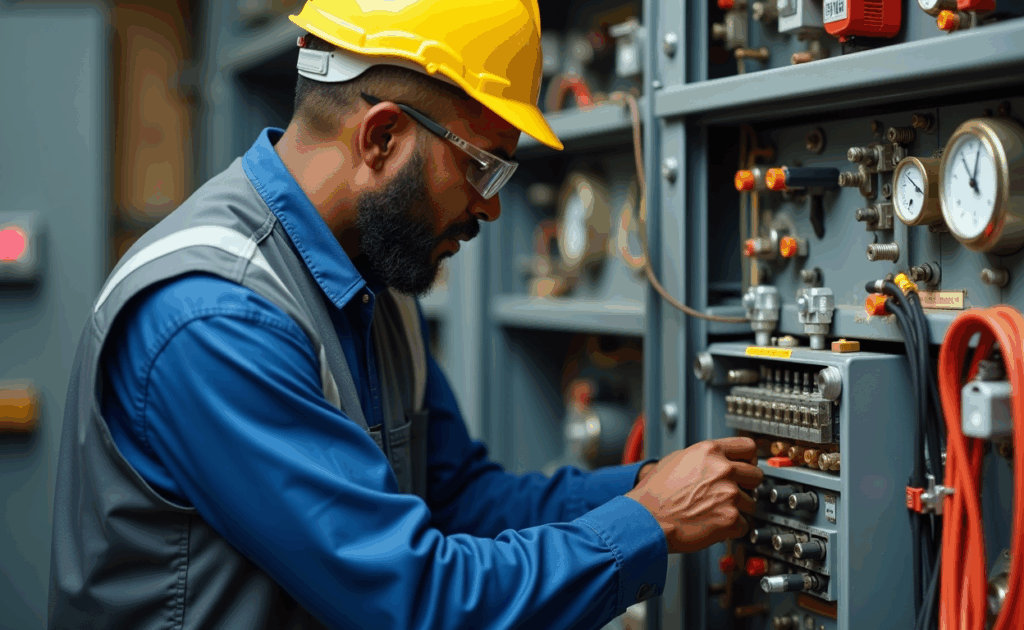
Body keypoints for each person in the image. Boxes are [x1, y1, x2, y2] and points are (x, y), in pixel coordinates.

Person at [47, 1, 763, 628]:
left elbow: (455, 500)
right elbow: (415, 604)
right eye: (483, 166)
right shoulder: (216, 318)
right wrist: (648, 523)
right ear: (381, 138)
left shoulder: (371, 289)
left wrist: (641, 489)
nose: (493, 206)